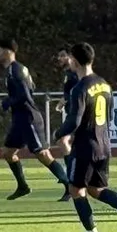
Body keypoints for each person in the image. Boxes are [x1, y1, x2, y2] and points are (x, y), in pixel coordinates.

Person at [57, 42, 117, 232]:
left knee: (76, 189)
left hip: (86, 146)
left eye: (69, 57)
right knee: (96, 189)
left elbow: (74, 121)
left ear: (75, 60)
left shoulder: (80, 87)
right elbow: (109, 115)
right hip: (104, 145)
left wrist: (59, 133)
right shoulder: (104, 84)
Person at [0, 39, 69, 201]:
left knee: (43, 154)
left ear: (8, 52)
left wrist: (8, 102)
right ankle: (23, 186)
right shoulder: (15, 70)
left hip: (29, 118)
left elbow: (25, 95)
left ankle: (69, 185)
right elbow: (31, 87)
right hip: (19, 119)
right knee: (8, 152)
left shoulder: (15, 70)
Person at [49, 47, 81, 199]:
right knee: (64, 142)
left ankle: (73, 180)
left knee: (63, 141)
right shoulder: (69, 73)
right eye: (58, 56)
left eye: (62, 55)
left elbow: (77, 91)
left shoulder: (76, 73)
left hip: (79, 114)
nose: (59, 59)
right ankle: (72, 181)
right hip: (72, 114)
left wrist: (63, 101)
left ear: (70, 56)